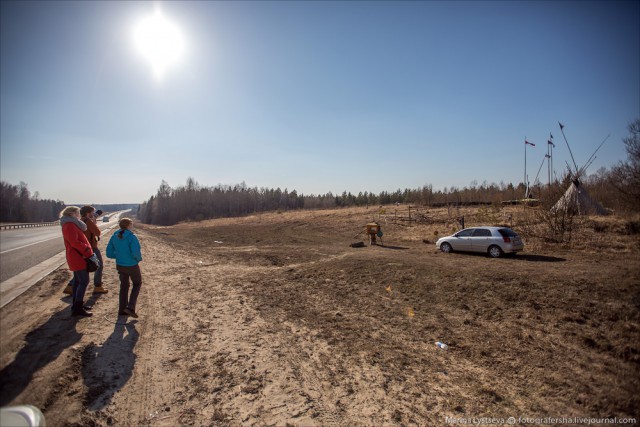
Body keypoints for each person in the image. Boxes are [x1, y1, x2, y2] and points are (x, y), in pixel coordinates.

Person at [60, 206, 100, 317]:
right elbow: (74, 242)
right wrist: (87, 250)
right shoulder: (69, 225)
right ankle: (77, 308)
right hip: (79, 256)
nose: (79, 214)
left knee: (78, 281)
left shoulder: (72, 223)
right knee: (84, 281)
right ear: (72, 213)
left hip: (78, 256)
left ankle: (76, 305)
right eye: (77, 212)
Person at [62, 206, 108, 295]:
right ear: (88, 213)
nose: (93, 214)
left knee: (80, 270)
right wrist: (94, 223)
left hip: (79, 250)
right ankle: (98, 286)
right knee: (98, 265)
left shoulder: (78, 221)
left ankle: (71, 286)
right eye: (92, 212)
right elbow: (97, 233)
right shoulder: (87, 221)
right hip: (89, 247)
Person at [106, 218, 142, 318]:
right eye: (132, 224)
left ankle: (122, 310)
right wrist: (138, 259)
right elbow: (136, 252)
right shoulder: (132, 237)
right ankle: (130, 307)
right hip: (132, 265)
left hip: (120, 265)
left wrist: (118, 256)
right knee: (137, 283)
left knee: (124, 286)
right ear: (128, 226)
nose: (132, 226)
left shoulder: (114, 236)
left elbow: (109, 252)